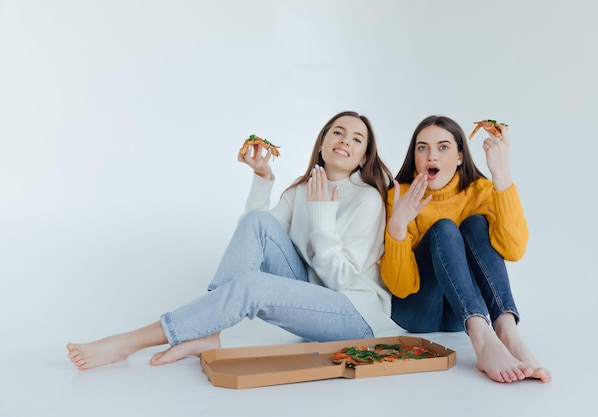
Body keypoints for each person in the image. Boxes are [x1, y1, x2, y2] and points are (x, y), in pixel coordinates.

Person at [67, 110, 395, 370]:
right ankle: (208, 332)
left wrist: (323, 219)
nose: (345, 140)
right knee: (257, 220)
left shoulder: (368, 200)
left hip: (353, 314)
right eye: (337, 132)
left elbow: (341, 282)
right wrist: (263, 179)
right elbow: (253, 237)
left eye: (356, 138)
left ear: (364, 157)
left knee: (253, 287)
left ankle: (130, 342)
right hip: (309, 302)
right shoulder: (300, 191)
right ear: (322, 143)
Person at [380, 115, 551, 383]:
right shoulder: (400, 195)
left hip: (460, 313)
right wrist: (398, 227)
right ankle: (483, 340)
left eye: (443, 147)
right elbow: (401, 288)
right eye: (422, 147)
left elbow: (514, 249)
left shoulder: (479, 190)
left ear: (460, 156)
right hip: (416, 312)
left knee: (475, 223)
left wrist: (501, 174)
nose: (431, 156)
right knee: (445, 228)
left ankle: (507, 331)